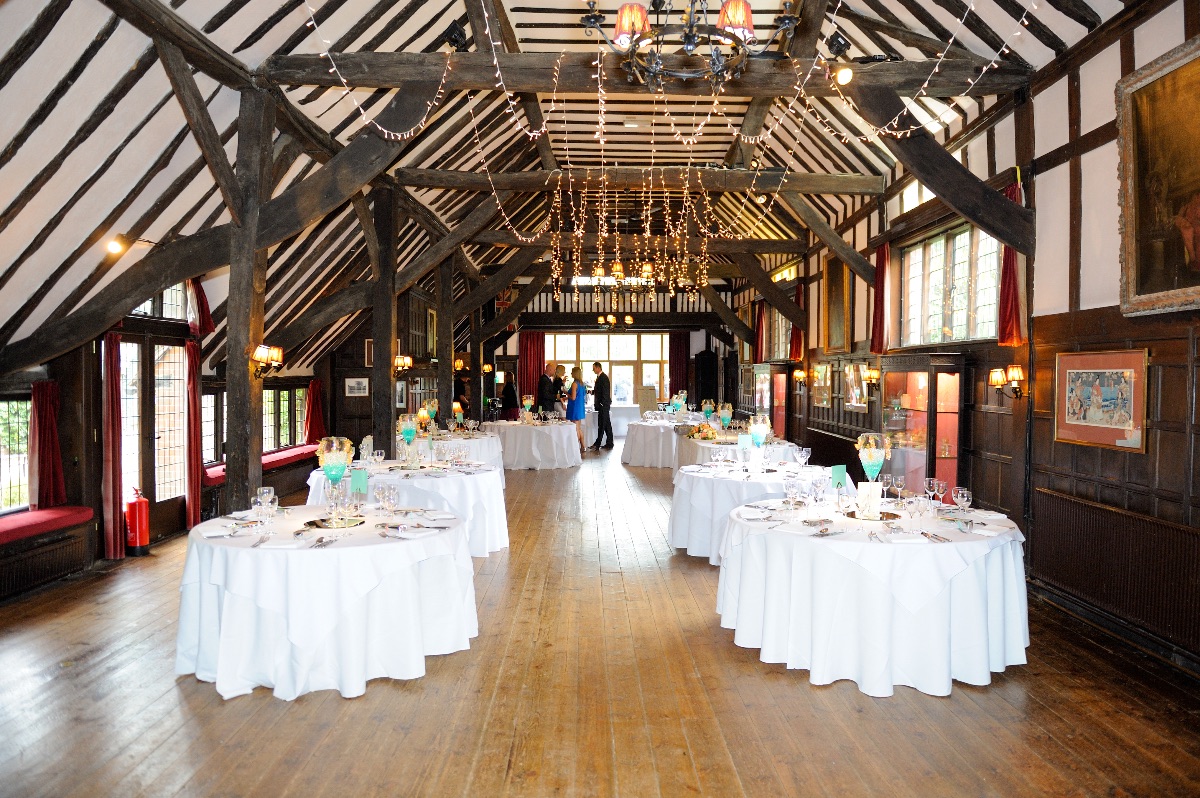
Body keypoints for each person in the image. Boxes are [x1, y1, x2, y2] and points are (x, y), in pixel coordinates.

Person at [589, 361, 613, 450]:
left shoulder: (604, 377)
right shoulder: (600, 377)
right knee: (606, 425)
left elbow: (605, 392)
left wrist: (602, 403)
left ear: (598, 368)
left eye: (594, 368)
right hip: (603, 405)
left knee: (602, 425)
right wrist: (591, 392)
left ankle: (597, 443)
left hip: (604, 405)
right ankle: (610, 443)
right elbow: (599, 390)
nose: (593, 370)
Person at [566, 366, 587, 454]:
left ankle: (576, 447)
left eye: (572, 372)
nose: (571, 374)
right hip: (580, 407)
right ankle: (583, 446)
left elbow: (573, 397)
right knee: (578, 428)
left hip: (574, 408)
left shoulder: (574, 384)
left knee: (575, 428)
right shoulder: (582, 384)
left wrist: (566, 393)